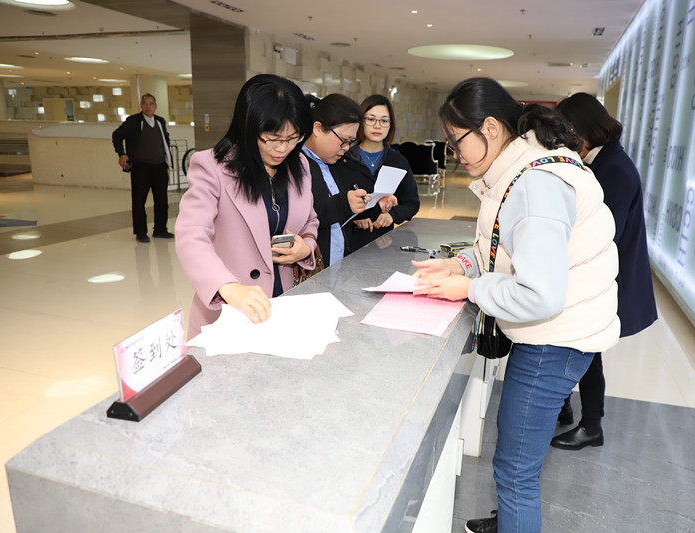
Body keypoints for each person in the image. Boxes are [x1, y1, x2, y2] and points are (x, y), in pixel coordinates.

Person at [411, 78, 620, 533]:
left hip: (555, 340)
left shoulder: (536, 184)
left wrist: (468, 289)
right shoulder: (521, 167)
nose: (455, 154)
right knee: (516, 460)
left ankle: (515, 520)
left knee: (516, 473)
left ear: (490, 127)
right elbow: (504, 246)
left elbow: (539, 294)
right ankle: (509, 520)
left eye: (456, 141)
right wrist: (461, 265)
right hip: (559, 333)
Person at [550, 92, 657, 450]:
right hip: (600, 273)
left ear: (587, 128)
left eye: (569, 131)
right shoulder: (602, 161)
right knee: (577, 343)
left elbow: (602, 230)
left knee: (587, 348)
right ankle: (563, 408)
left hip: (609, 277)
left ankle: (592, 425)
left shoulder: (615, 169)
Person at [174, 74, 319, 339]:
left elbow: (310, 219)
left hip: (283, 304)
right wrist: (228, 286)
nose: (283, 148)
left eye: (293, 138)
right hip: (230, 312)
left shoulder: (300, 165)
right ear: (248, 127)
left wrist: (306, 246)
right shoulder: (211, 167)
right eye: (272, 138)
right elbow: (191, 236)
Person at [332, 94, 420, 252]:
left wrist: (392, 215)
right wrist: (354, 219)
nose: (377, 126)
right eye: (371, 119)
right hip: (347, 244)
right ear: (360, 121)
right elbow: (329, 203)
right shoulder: (342, 157)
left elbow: (412, 203)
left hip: (385, 243)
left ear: (390, 125)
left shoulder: (397, 161)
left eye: (384, 121)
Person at [112, 93, 175, 243]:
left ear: (155, 106)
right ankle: (140, 232)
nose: (148, 107)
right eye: (145, 103)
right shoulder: (133, 121)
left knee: (162, 201)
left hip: (160, 167)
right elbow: (117, 135)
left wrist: (166, 159)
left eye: (151, 103)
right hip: (141, 168)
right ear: (141, 105)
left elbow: (164, 140)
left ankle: (160, 229)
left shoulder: (160, 121)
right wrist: (122, 154)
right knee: (139, 201)